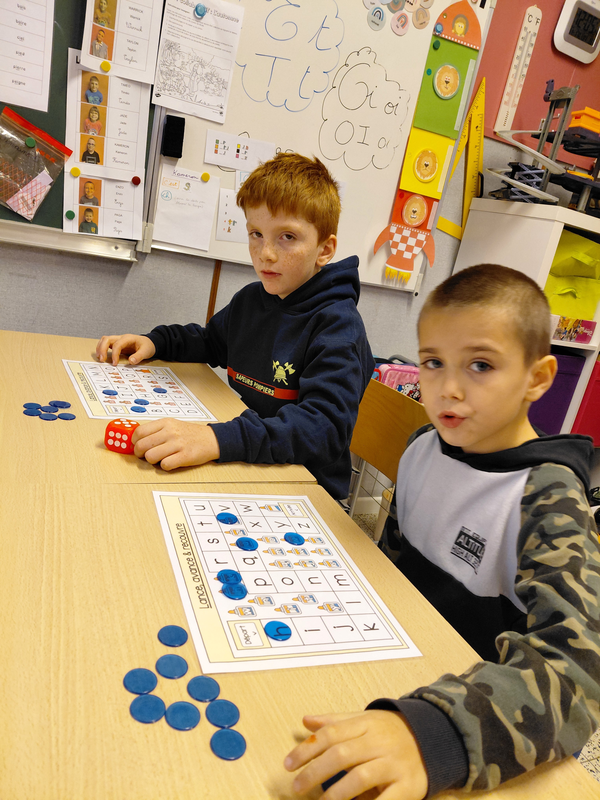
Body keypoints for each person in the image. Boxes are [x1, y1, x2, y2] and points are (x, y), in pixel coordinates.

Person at [284, 264, 600, 798]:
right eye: (432, 362)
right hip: (388, 668)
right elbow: (393, 565)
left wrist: (436, 735)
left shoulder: (548, 500)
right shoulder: (422, 446)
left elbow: (580, 675)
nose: (448, 388)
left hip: (473, 719)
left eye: (481, 365)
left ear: (537, 378)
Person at [96, 153, 374, 500]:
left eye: (287, 236)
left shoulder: (338, 326)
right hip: (248, 460)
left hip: (305, 488)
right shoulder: (252, 300)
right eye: (256, 233)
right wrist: (156, 342)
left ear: (324, 249)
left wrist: (215, 438)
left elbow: (323, 430)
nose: (265, 252)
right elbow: (209, 341)